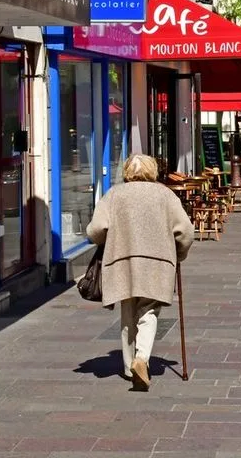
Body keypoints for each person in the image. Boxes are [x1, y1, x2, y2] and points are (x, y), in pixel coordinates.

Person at [86, 155, 194, 392]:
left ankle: (128, 367)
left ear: (127, 171)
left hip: (122, 262)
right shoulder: (165, 195)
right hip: (157, 263)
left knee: (128, 312)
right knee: (149, 311)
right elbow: (186, 231)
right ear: (152, 171)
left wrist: (110, 239)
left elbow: (95, 231)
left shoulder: (115, 195)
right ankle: (141, 358)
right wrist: (180, 254)